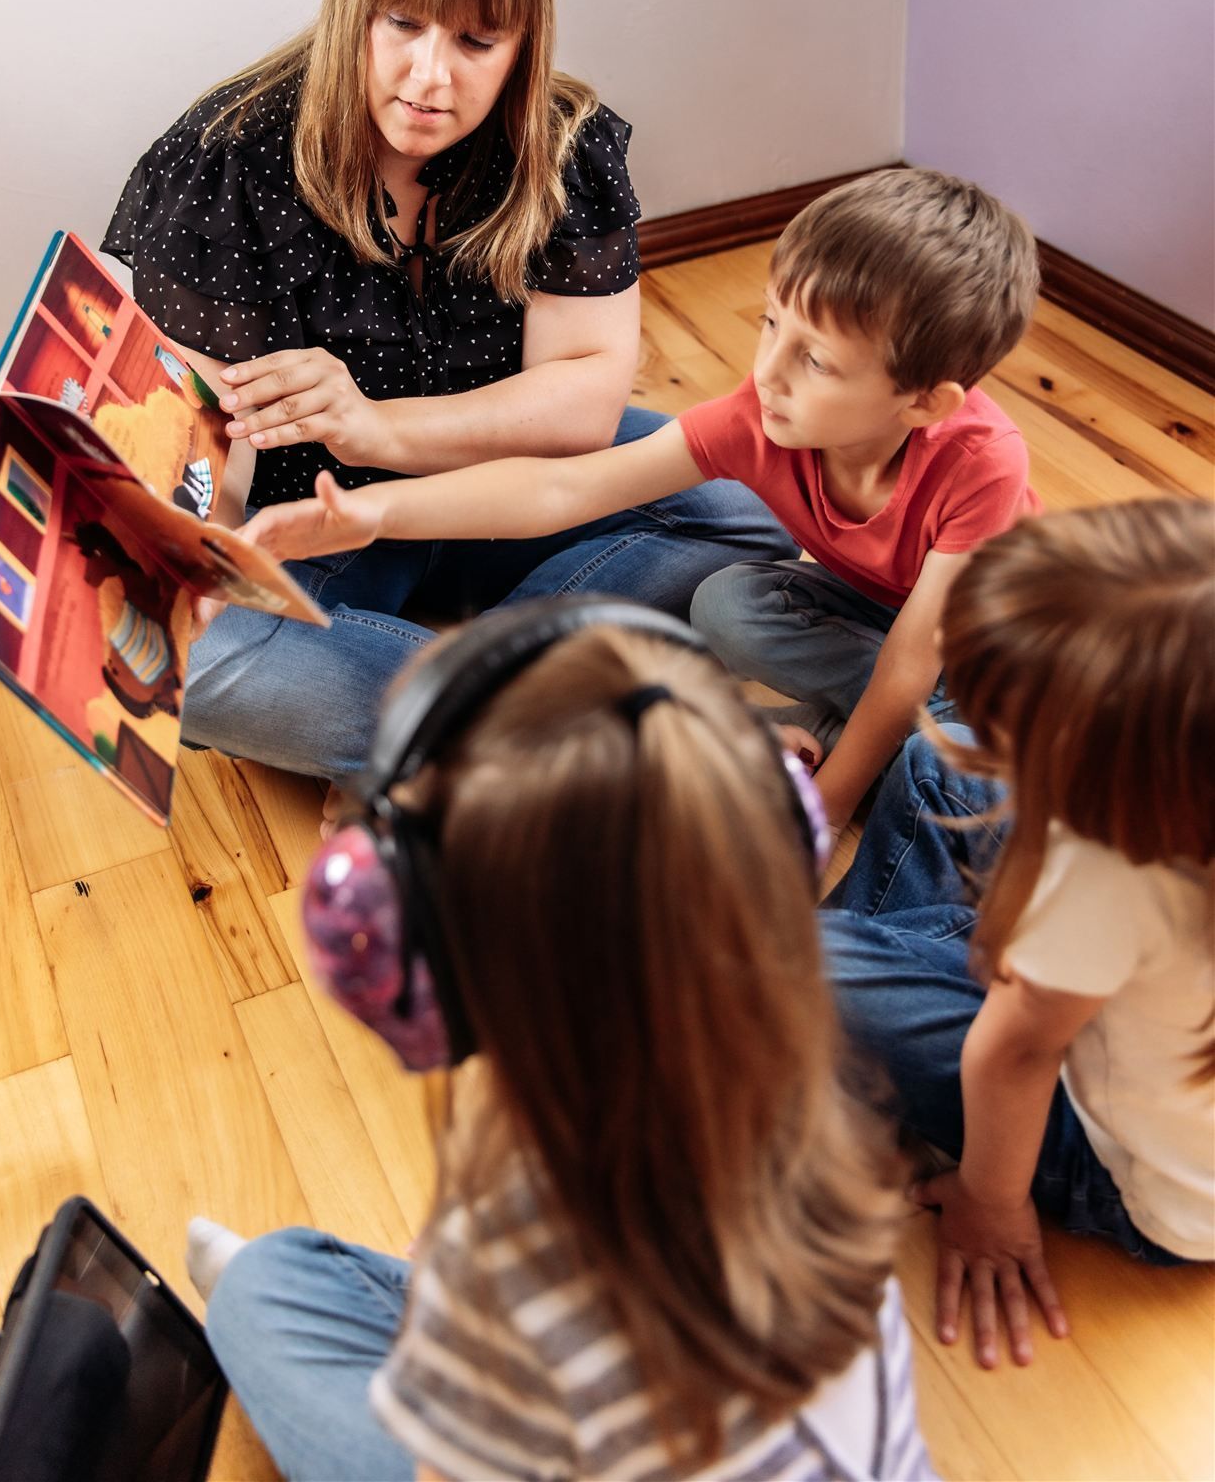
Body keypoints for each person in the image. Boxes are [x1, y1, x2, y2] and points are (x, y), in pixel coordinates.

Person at [186, 600, 934, 1481]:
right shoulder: (800, 1103)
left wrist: (479, 1291)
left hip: (533, 1385)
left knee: (263, 1290)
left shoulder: (513, 1255)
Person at [103, 0, 790, 783]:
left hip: (507, 481)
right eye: (403, 24)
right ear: (356, 5)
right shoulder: (227, 157)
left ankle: (457, 715)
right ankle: (546, 700)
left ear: (524, 41)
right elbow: (203, 450)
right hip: (316, 521)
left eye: (477, 42)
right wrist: (206, 561)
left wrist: (376, 425)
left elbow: (584, 401)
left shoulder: (563, 147)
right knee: (209, 664)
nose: (431, 78)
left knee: (749, 507)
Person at [236, 166, 1040, 830]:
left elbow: (910, 661)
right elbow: (563, 485)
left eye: (816, 361)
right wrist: (375, 511)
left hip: (988, 650)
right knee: (729, 606)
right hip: (865, 619)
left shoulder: (982, 462)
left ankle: (945, 746)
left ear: (926, 403)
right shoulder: (762, 416)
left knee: (958, 705)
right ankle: (908, 749)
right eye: (770, 325)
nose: (767, 372)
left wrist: (822, 818)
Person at [821, 497, 1215, 1372]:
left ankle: (831, 1036)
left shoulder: (1113, 871)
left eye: (1023, 730)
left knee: (786, 960)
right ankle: (854, 1031)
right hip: (1139, 1068)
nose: (997, 738)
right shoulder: (1178, 811)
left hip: (1108, 1165)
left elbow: (1018, 1054)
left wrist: (989, 1201)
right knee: (939, 761)